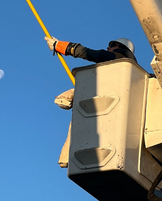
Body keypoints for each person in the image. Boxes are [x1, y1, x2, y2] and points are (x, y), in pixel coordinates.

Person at [44, 37, 137, 167]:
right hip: (112, 102)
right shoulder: (130, 70)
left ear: (118, 46)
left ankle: (66, 158)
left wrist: (60, 46)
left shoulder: (118, 56)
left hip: (106, 96)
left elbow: (90, 53)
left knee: (79, 119)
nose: (108, 49)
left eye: (110, 46)